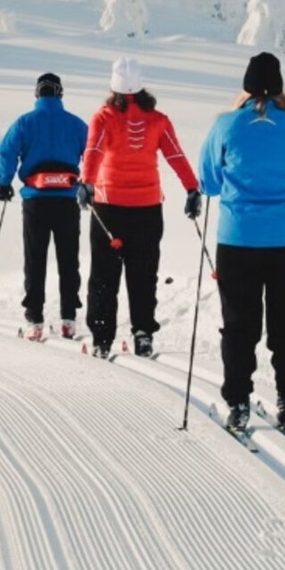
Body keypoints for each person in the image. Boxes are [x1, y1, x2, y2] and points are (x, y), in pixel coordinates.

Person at [197, 52, 285, 432]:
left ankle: (238, 400)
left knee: (239, 324)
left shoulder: (226, 126)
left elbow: (209, 181)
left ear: (246, 86)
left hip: (238, 240)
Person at [78, 58, 202, 359]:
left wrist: (87, 184)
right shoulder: (158, 120)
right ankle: (143, 333)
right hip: (147, 209)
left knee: (104, 275)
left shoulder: (104, 117)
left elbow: (93, 151)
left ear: (113, 87)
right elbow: (175, 155)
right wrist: (192, 188)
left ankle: (102, 337)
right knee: (143, 274)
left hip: (108, 208)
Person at [0, 72, 90, 341]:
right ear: (60, 94)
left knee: (35, 260)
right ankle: (69, 318)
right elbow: (94, 152)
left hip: (36, 200)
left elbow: (6, 153)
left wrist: (4, 182)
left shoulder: (25, 122)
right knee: (68, 259)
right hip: (67, 200)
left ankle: (35, 320)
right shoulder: (76, 124)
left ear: (37, 94)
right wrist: (90, 184)